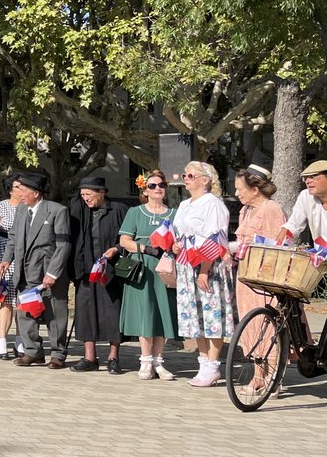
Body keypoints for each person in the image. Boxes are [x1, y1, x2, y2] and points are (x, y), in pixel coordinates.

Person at [0, 172, 72, 368]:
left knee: (54, 314)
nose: (20, 194)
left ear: (37, 193)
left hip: (48, 273)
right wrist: (6, 259)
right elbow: (13, 238)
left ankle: (58, 354)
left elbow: (63, 245)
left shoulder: (57, 211)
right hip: (25, 271)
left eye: (24, 191)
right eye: (19, 190)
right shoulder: (22, 210)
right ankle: (32, 351)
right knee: (25, 312)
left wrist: (53, 273)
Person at [172, 161, 234, 387]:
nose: (185, 178)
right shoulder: (185, 204)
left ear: (205, 180)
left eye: (190, 175)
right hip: (187, 264)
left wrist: (205, 271)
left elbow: (215, 239)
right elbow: (179, 233)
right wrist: (175, 246)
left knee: (211, 314)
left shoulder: (213, 204)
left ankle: (213, 365)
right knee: (195, 315)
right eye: (185, 175)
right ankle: (203, 362)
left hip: (209, 265)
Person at [228, 165, 287, 390]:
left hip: (265, 276)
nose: (237, 193)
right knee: (251, 325)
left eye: (240, 188)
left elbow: (278, 245)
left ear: (255, 189)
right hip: (246, 275)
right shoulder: (245, 210)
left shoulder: (271, 208)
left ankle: (273, 378)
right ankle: (258, 375)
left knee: (268, 324)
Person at [117, 169, 180, 381]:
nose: (157, 189)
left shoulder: (174, 213)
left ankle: (159, 361)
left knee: (163, 312)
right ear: (145, 189)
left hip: (165, 266)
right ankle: (145, 360)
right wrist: (144, 249)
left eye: (161, 185)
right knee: (145, 312)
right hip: (142, 266)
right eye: (152, 186)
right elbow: (124, 240)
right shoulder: (135, 212)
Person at [67, 176, 128, 373]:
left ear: (102, 192)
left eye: (89, 194)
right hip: (85, 270)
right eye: (83, 194)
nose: (86, 198)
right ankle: (90, 358)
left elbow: (127, 236)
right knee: (86, 312)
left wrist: (116, 248)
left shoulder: (118, 209)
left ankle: (113, 357)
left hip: (110, 270)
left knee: (112, 312)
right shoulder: (81, 210)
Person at [0, 174, 22, 360]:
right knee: (6, 299)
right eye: (18, 187)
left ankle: (20, 340)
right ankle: (2, 341)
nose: (22, 190)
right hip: (3, 252)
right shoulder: (1, 207)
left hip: (24, 254)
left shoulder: (28, 206)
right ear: (10, 189)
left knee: (22, 300)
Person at [278, 159, 327, 244]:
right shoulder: (306, 196)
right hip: (321, 254)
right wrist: (277, 246)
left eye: (313, 176)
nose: (308, 181)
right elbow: (292, 225)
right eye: (306, 178)